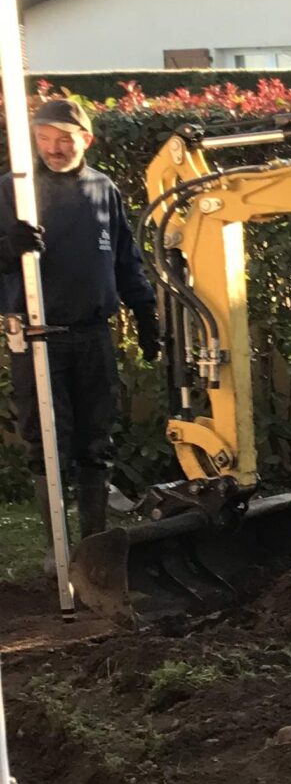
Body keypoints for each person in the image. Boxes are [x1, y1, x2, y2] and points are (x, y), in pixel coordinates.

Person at [0, 95, 162, 549]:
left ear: (85, 139)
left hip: (92, 335)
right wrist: (5, 248)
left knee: (96, 440)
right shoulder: (14, 191)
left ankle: (94, 545)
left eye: (64, 139)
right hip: (36, 339)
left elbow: (125, 259)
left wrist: (144, 311)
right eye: (45, 139)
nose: (54, 148)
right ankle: (57, 549)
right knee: (46, 444)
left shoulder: (102, 189)